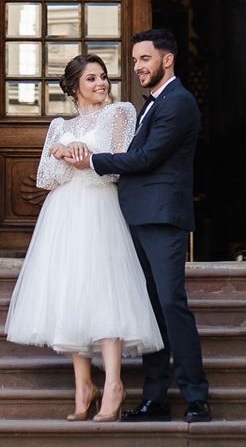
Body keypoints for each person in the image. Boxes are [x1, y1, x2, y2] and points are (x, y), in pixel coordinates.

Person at [60, 28, 212, 423]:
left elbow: (146, 158)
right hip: (137, 216)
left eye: (145, 59)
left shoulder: (178, 103)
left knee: (171, 305)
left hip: (162, 216)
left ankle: (196, 397)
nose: (137, 67)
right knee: (152, 311)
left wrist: (92, 161)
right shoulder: (150, 104)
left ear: (167, 59)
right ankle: (156, 397)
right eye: (134, 61)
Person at [4, 52, 162, 421]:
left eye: (103, 76)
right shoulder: (59, 125)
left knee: (104, 290)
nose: (101, 83)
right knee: (70, 292)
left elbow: (118, 167)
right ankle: (83, 386)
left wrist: (85, 155)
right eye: (91, 78)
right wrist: (60, 153)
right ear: (75, 87)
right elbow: (46, 179)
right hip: (63, 213)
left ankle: (114, 385)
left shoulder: (120, 113)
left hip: (100, 207)